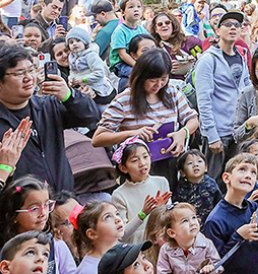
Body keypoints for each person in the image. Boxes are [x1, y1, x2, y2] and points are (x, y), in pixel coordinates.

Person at [0, 44, 99, 192]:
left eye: (31, 70)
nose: (28, 78)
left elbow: (90, 116)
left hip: (63, 198)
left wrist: (68, 96)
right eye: (19, 73)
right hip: (21, 208)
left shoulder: (47, 105)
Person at [92, 49, 198, 187]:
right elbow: (98, 139)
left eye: (163, 79)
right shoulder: (124, 100)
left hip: (169, 164)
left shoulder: (171, 93)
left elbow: (193, 119)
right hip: (138, 169)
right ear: (141, 77)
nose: (158, 85)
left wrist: (182, 133)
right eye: (153, 80)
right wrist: (133, 134)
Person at [194, 10, 252, 181]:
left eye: (237, 25)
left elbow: (247, 87)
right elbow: (203, 99)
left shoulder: (241, 56)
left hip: (239, 130)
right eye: (227, 24)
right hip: (218, 132)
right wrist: (212, 135)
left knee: (236, 179)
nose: (233, 28)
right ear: (217, 31)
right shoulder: (208, 60)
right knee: (214, 181)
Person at [202, 154, 258, 274]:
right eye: (242, 169)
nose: (248, 175)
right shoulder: (215, 220)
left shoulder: (255, 208)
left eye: (253, 173)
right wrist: (237, 237)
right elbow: (215, 266)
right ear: (226, 177)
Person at [111, 138, 172, 242]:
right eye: (135, 160)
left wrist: (161, 210)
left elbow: (170, 221)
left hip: (161, 247)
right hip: (136, 252)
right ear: (123, 168)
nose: (142, 163)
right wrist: (143, 213)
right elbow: (121, 235)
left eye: (145, 156)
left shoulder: (161, 182)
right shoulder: (119, 195)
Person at [155, 202, 220, 274]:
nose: (192, 223)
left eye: (194, 217)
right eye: (185, 221)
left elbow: (219, 265)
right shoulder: (166, 250)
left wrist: (212, 268)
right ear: (172, 233)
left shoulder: (206, 244)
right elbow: (162, 271)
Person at [65, 26, 115, 105]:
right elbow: (72, 72)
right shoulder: (72, 57)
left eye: (78, 40)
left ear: (85, 42)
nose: (74, 44)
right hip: (82, 87)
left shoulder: (91, 55)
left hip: (98, 88)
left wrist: (83, 79)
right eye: (71, 42)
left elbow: (99, 73)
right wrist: (71, 80)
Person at [171, 150, 221, 224]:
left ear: (206, 167)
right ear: (182, 173)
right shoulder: (181, 188)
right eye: (190, 163)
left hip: (210, 221)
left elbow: (218, 201)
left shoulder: (211, 183)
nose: (195, 165)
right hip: (190, 222)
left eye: (199, 161)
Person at [109, 0, 148, 89]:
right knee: (136, 76)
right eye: (131, 7)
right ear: (122, 12)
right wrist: (137, 66)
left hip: (138, 60)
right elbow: (122, 54)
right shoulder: (120, 31)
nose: (136, 10)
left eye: (139, 7)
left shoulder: (142, 29)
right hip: (122, 64)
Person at [149, 12, 201, 80]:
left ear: (172, 25)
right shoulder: (154, 48)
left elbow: (208, 57)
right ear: (155, 29)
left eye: (167, 22)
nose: (164, 25)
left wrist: (191, 66)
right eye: (160, 24)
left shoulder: (190, 41)